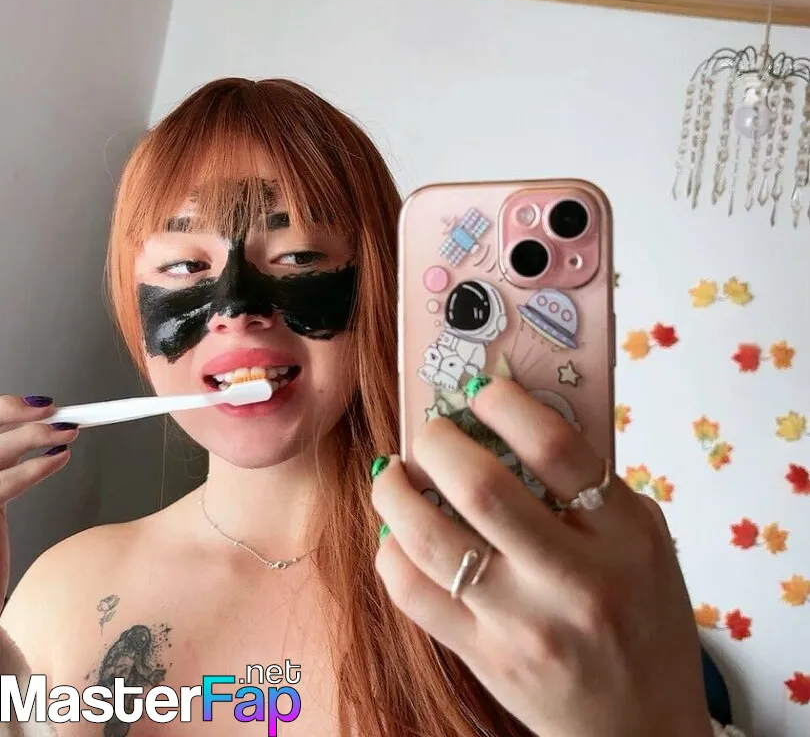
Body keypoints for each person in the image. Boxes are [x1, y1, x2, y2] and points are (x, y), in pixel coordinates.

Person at [0, 78, 743, 737]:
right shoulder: (62, 592)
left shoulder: (508, 582)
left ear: (380, 287)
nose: (236, 308)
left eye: (299, 257)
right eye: (184, 265)